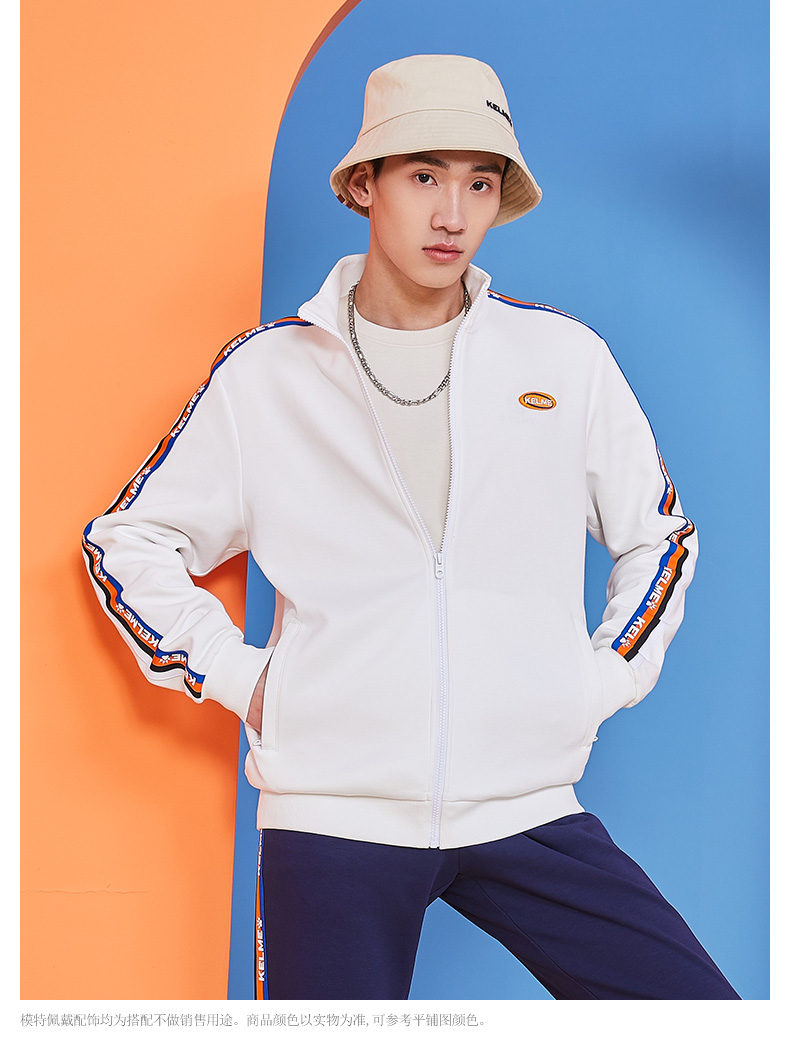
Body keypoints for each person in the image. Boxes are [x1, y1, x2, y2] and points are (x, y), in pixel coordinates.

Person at [82, 54, 740, 1000]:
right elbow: (127, 539)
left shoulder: (564, 360)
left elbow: (660, 535)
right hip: (331, 817)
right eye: (425, 175)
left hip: (525, 804)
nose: (453, 214)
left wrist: (597, 679)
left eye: (480, 183)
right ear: (365, 185)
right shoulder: (268, 377)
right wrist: (247, 679)